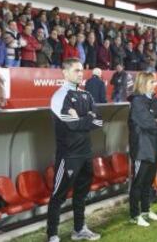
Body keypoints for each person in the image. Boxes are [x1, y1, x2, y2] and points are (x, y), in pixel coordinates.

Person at [47, 58, 103, 242]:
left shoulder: (87, 95)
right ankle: (52, 234)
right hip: (69, 155)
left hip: (86, 153)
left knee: (81, 194)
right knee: (59, 195)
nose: (81, 73)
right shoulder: (59, 96)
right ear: (65, 72)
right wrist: (86, 118)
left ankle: (79, 229)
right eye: (77, 70)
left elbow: (98, 122)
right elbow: (69, 124)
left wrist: (80, 118)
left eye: (81, 70)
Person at [128, 71, 157, 227]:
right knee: (138, 183)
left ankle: (146, 211)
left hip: (155, 147)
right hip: (141, 149)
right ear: (143, 84)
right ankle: (134, 214)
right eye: (152, 82)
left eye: (155, 82)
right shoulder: (137, 102)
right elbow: (148, 123)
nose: (155, 84)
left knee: (148, 183)